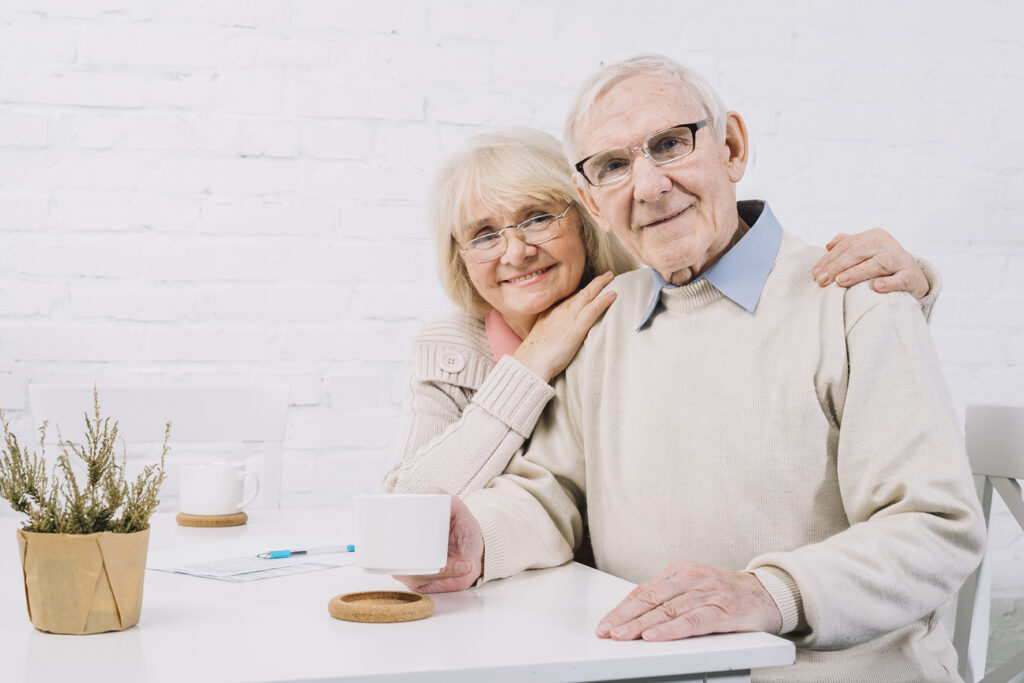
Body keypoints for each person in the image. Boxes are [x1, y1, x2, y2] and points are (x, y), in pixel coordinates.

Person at [394, 55, 985, 682]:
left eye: (670, 144)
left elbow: (935, 528)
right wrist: (481, 541)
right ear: (593, 201)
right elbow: (549, 494)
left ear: (731, 148)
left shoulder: (858, 298)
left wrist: (770, 593)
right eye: (613, 166)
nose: (649, 187)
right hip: (649, 669)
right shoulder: (603, 317)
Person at [380, 128, 939, 499]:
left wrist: (904, 292)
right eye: (483, 235)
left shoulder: (651, 306)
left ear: (589, 215)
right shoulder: (451, 349)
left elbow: (773, 349)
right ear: (459, 257)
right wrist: (530, 367)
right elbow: (406, 511)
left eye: (537, 218)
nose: (516, 251)